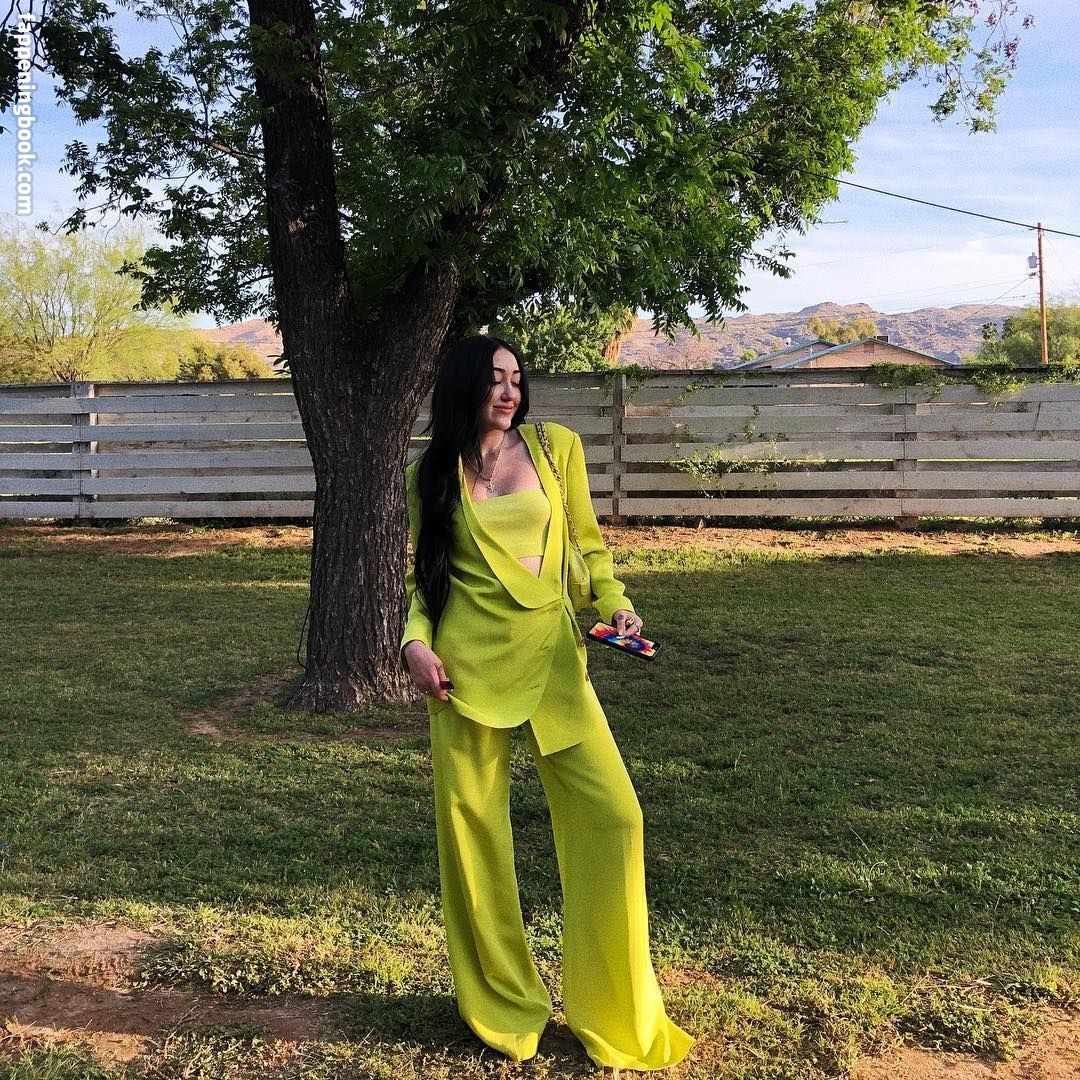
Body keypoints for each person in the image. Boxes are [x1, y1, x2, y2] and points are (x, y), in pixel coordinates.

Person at [400, 334, 693, 1072]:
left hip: (556, 661)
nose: (509, 392)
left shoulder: (555, 449)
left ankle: (613, 1010)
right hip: (463, 674)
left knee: (615, 816)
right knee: (474, 840)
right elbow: (423, 582)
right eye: (493, 379)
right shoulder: (428, 475)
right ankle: (506, 1009)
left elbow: (590, 549)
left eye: (516, 378)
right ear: (464, 386)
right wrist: (414, 645)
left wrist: (616, 602)